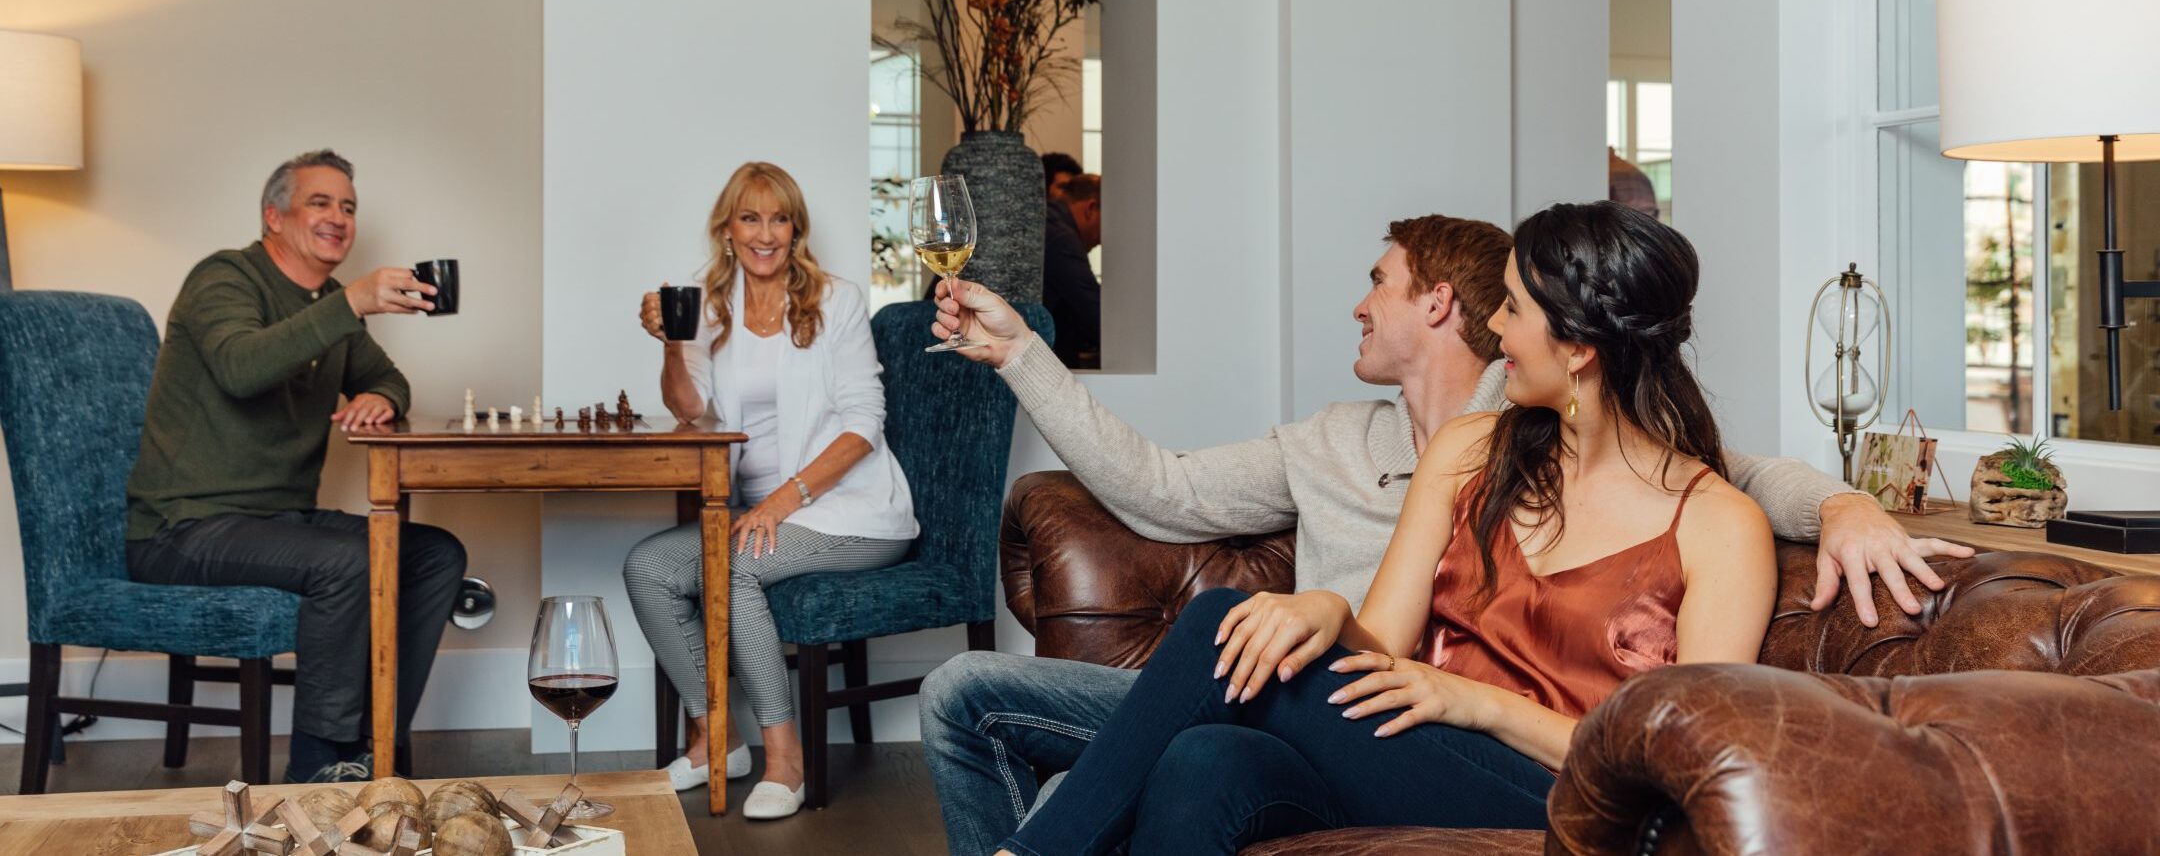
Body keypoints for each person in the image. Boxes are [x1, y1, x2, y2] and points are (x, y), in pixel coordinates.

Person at [919, 211, 1972, 856]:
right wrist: (1331, 609)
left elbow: (1675, 755)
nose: (1495, 330)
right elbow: (1375, 637)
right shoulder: (1474, 453)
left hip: (1567, 788)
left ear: (1586, 346)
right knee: (1201, 761)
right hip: (1409, 743)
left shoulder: (1719, 523)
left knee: (1223, 630)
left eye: (1511, 311)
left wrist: (1845, 499)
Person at [125, 149, 467, 784]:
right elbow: (241, 367)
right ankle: (318, 765)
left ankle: (375, 744)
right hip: (183, 528)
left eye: (348, 207)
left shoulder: (330, 303)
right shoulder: (224, 278)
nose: (339, 217)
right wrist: (353, 303)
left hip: (279, 522)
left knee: (434, 553)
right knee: (349, 561)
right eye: (321, 202)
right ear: (274, 217)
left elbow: (390, 378)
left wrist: (378, 396)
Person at [621, 161, 917, 820]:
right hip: (759, 516)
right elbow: (690, 409)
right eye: (750, 217)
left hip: (852, 511)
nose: (765, 233)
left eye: (778, 218)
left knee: (732, 562)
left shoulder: (833, 300)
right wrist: (673, 341)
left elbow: (865, 423)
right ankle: (716, 738)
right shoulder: (706, 304)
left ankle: (786, 760)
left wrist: (783, 500)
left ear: (795, 228)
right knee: (646, 566)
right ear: (728, 228)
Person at [1043, 173, 1101, 368]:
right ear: (1091, 209)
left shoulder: (1049, 220)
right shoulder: (1062, 239)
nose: (1101, 240)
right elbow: (1095, 317)